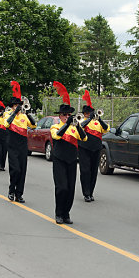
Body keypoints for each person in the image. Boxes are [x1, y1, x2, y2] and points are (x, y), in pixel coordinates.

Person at [51, 81, 87, 225]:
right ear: (60, 116)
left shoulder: (74, 128)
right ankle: (59, 213)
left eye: (69, 115)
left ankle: (66, 213)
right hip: (59, 160)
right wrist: (66, 124)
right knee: (62, 187)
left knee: (71, 189)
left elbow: (84, 137)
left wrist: (77, 125)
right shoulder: (55, 126)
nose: (67, 116)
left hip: (72, 160)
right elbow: (56, 136)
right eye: (65, 115)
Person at [4, 81, 36, 203]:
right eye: (15, 105)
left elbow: (33, 126)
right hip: (12, 144)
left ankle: (19, 194)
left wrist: (27, 113)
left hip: (23, 145)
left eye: (19, 105)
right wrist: (14, 112)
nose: (18, 107)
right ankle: (11, 190)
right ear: (12, 106)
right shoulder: (8, 114)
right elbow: (6, 124)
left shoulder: (24, 116)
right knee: (15, 169)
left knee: (22, 170)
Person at [78, 90, 109, 202]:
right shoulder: (82, 120)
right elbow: (80, 127)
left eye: (92, 112)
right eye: (89, 113)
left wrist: (99, 119)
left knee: (93, 171)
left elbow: (106, 128)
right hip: (84, 148)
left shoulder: (97, 122)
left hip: (96, 149)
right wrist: (89, 118)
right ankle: (86, 193)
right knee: (85, 171)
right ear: (85, 113)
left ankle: (91, 192)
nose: (90, 114)